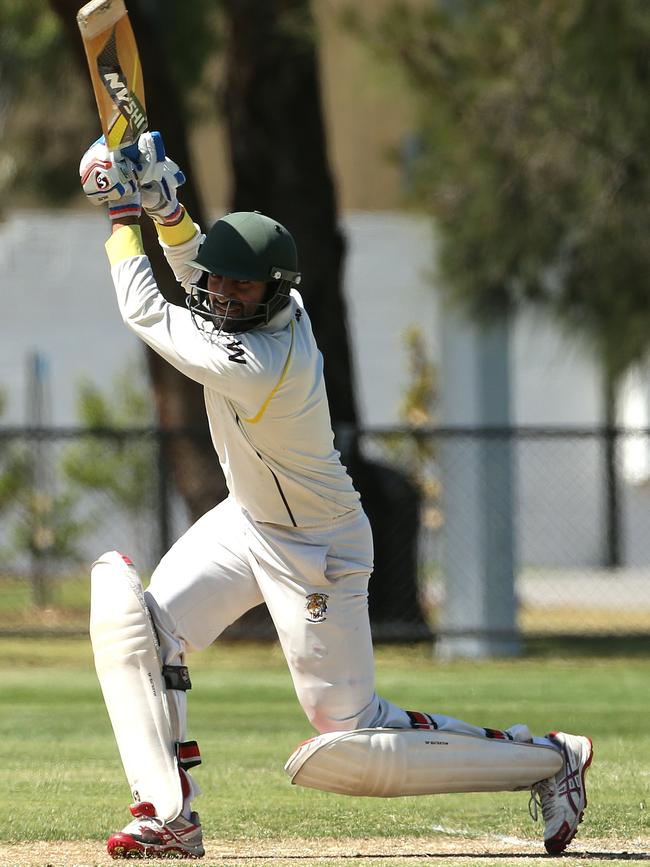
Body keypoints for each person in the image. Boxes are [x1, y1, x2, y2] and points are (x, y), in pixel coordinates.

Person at [79, 133, 593, 860]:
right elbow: (200, 269)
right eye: (221, 283)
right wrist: (169, 212)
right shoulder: (247, 311)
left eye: (241, 287)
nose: (224, 293)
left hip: (316, 544)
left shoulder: (259, 361)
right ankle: (168, 811)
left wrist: (123, 217)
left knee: (347, 731)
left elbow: (147, 311)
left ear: (275, 291)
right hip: (248, 520)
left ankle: (550, 758)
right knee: (138, 623)